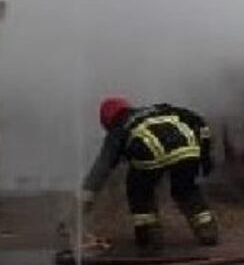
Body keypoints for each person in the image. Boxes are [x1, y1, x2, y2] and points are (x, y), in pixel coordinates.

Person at [80, 97, 219, 251]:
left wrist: (84, 202)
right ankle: (207, 230)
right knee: (186, 190)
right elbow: (199, 122)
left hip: (152, 155)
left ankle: (149, 235)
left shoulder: (119, 128)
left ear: (107, 121)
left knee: (139, 191)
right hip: (188, 150)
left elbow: (102, 167)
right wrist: (205, 157)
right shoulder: (160, 109)